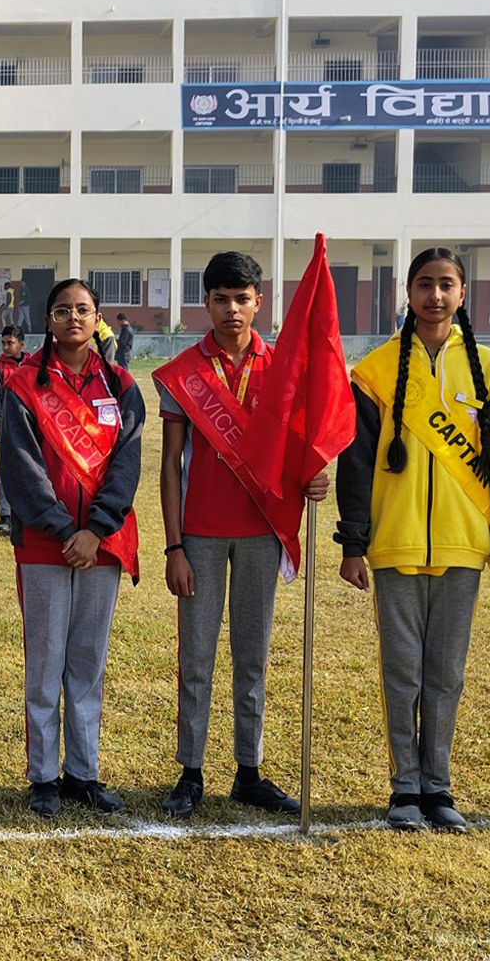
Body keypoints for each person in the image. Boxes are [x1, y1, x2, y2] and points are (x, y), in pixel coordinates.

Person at [334, 248, 490, 833]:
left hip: (464, 547)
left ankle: (438, 788)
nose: (435, 296)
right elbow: (357, 462)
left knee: (445, 673)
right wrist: (353, 542)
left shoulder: (489, 369)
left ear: (462, 294)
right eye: (425, 284)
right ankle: (404, 790)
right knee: (402, 673)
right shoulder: (373, 369)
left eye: (446, 285)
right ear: (407, 291)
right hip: (393, 547)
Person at [152, 252, 328, 820]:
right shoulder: (184, 373)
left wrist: (316, 471)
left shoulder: (283, 367)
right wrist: (174, 546)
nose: (232, 309)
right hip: (200, 534)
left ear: (259, 301)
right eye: (221, 298)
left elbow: (300, 443)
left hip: (261, 531)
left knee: (253, 656)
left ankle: (249, 771)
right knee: (197, 657)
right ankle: (191, 770)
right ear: (205, 302)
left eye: (242, 298)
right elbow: (171, 464)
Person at [0, 279, 144, 817]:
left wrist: (96, 528)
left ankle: (84, 772)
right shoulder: (22, 385)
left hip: (101, 545)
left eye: (83, 310)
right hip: (45, 545)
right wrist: (64, 531)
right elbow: (21, 467)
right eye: (63, 310)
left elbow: (127, 464)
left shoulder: (122, 385)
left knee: (87, 660)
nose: (74, 319)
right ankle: (42, 777)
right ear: (50, 319)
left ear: (98, 317)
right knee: (45, 663)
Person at [0, 325, 27, 532]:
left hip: (31, 429)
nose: (5, 347)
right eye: (3, 343)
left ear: (21, 344)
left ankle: (26, 513)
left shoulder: (33, 367)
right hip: (6, 428)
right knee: (5, 471)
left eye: (9, 343)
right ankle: (5, 514)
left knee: (30, 469)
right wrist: (0, 426)